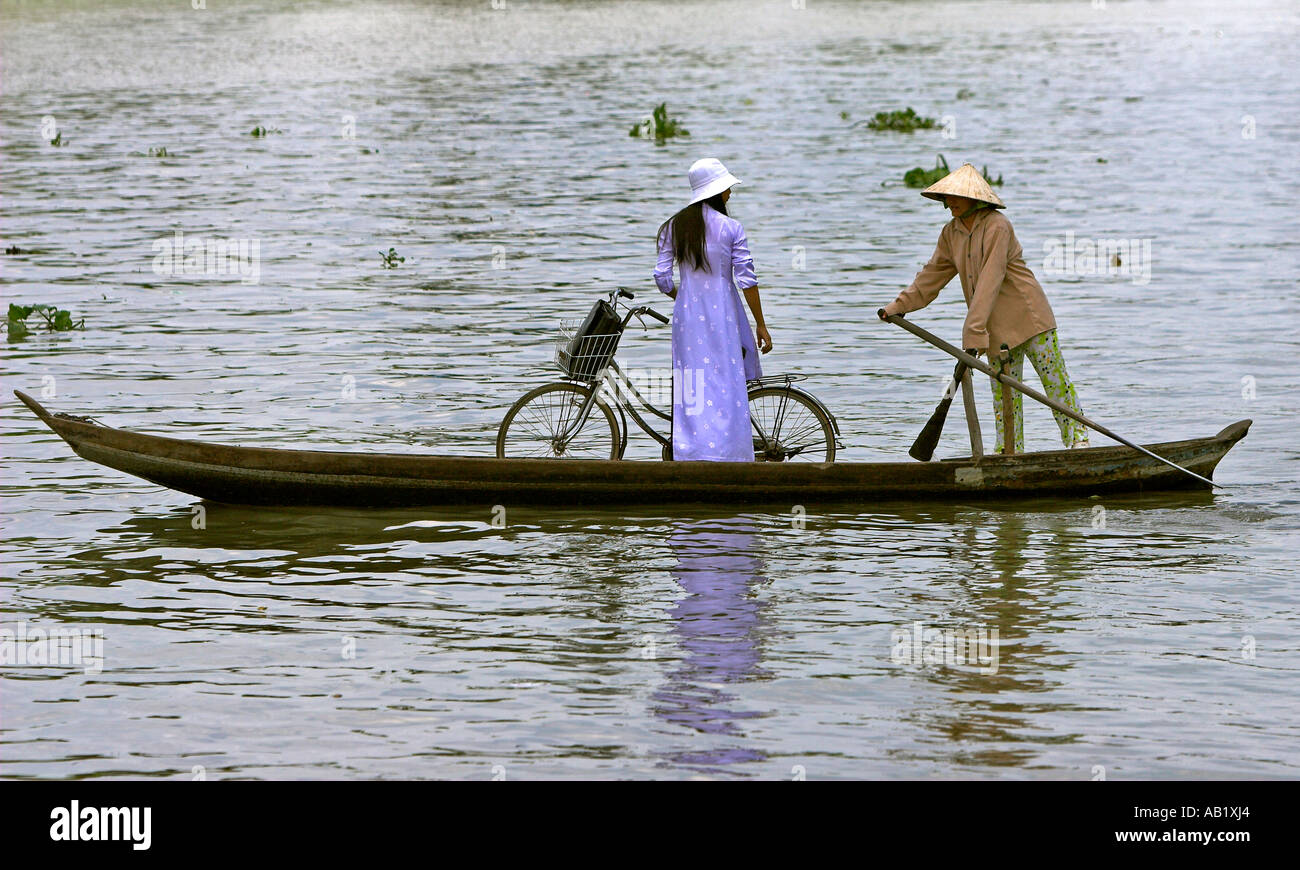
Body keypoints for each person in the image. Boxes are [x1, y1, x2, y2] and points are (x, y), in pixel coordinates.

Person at [878, 163, 1089, 451]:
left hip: (1030, 317)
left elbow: (991, 278)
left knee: (1055, 386)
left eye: (955, 197)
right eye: (947, 197)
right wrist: (897, 306)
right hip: (995, 329)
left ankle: (1079, 441)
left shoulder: (997, 226)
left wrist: (973, 331)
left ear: (974, 199)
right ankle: (1008, 453)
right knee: (1004, 400)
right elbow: (931, 276)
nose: (949, 202)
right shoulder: (951, 234)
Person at [655, 158, 772, 461]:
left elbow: (662, 277)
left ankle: (692, 452)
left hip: (687, 317)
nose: (730, 193)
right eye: (727, 188)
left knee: (692, 380)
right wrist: (760, 324)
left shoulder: (673, 227)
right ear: (717, 192)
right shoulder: (731, 228)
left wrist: (681, 297)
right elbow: (747, 280)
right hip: (724, 313)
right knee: (726, 380)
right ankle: (729, 452)